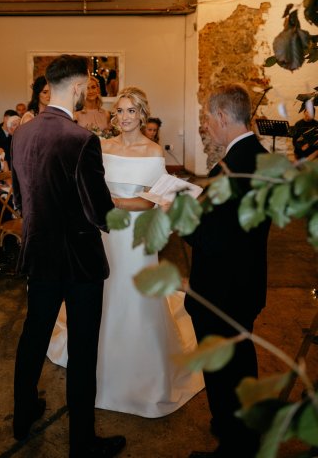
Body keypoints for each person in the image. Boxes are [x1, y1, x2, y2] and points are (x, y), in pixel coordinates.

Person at [48, 86, 204, 417]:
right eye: (119, 111)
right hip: (104, 233)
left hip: (135, 235)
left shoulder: (153, 151)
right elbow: (88, 186)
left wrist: (115, 201)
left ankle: (139, 370)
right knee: (102, 290)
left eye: (131, 110)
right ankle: (97, 360)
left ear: (142, 114)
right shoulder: (102, 146)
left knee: (134, 291)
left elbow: (153, 198)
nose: (125, 117)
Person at [11, 55, 126, 458]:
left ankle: (21, 416)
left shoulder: (21, 135)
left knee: (33, 336)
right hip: (78, 262)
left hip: (39, 255)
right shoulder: (80, 139)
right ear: (79, 88)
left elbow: (21, 200)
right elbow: (101, 211)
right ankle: (82, 441)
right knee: (82, 348)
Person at [184, 83, 271, 458]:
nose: (206, 125)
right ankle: (237, 430)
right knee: (239, 362)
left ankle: (235, 447)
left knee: (226, 372)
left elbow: (216, 238)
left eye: (207, 117)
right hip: (244, 283)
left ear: (222, 116)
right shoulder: (257, 156)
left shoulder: (237, 166)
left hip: (223, 290)